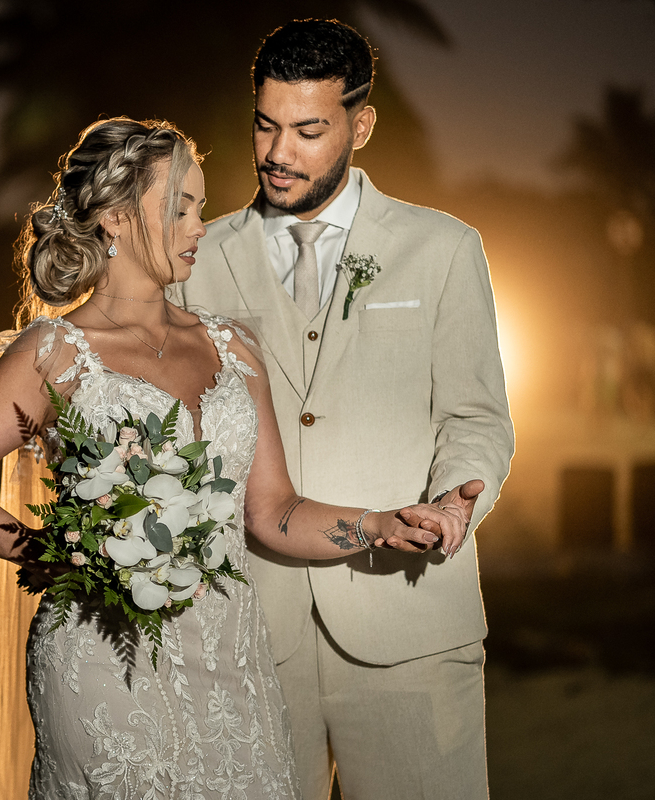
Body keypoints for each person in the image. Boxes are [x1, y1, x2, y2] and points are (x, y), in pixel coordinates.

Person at [0, 117, 470, 797]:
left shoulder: (234, 345)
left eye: (201, 208)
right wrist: (50, 555)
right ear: (116, 218)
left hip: (232, 655)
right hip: (99, 661)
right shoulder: (52, 351)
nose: (198, 225)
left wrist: (379, 524)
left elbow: (274, 513)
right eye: (179, 207)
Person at [171, 19, 516, 800]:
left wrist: (458, 497)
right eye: (265, 125)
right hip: (249, 632)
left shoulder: (445, 248)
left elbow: (477, 418)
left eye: (307, 129)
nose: (277, 152)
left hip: (411, 623)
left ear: (361, 125)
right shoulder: (197, 260)